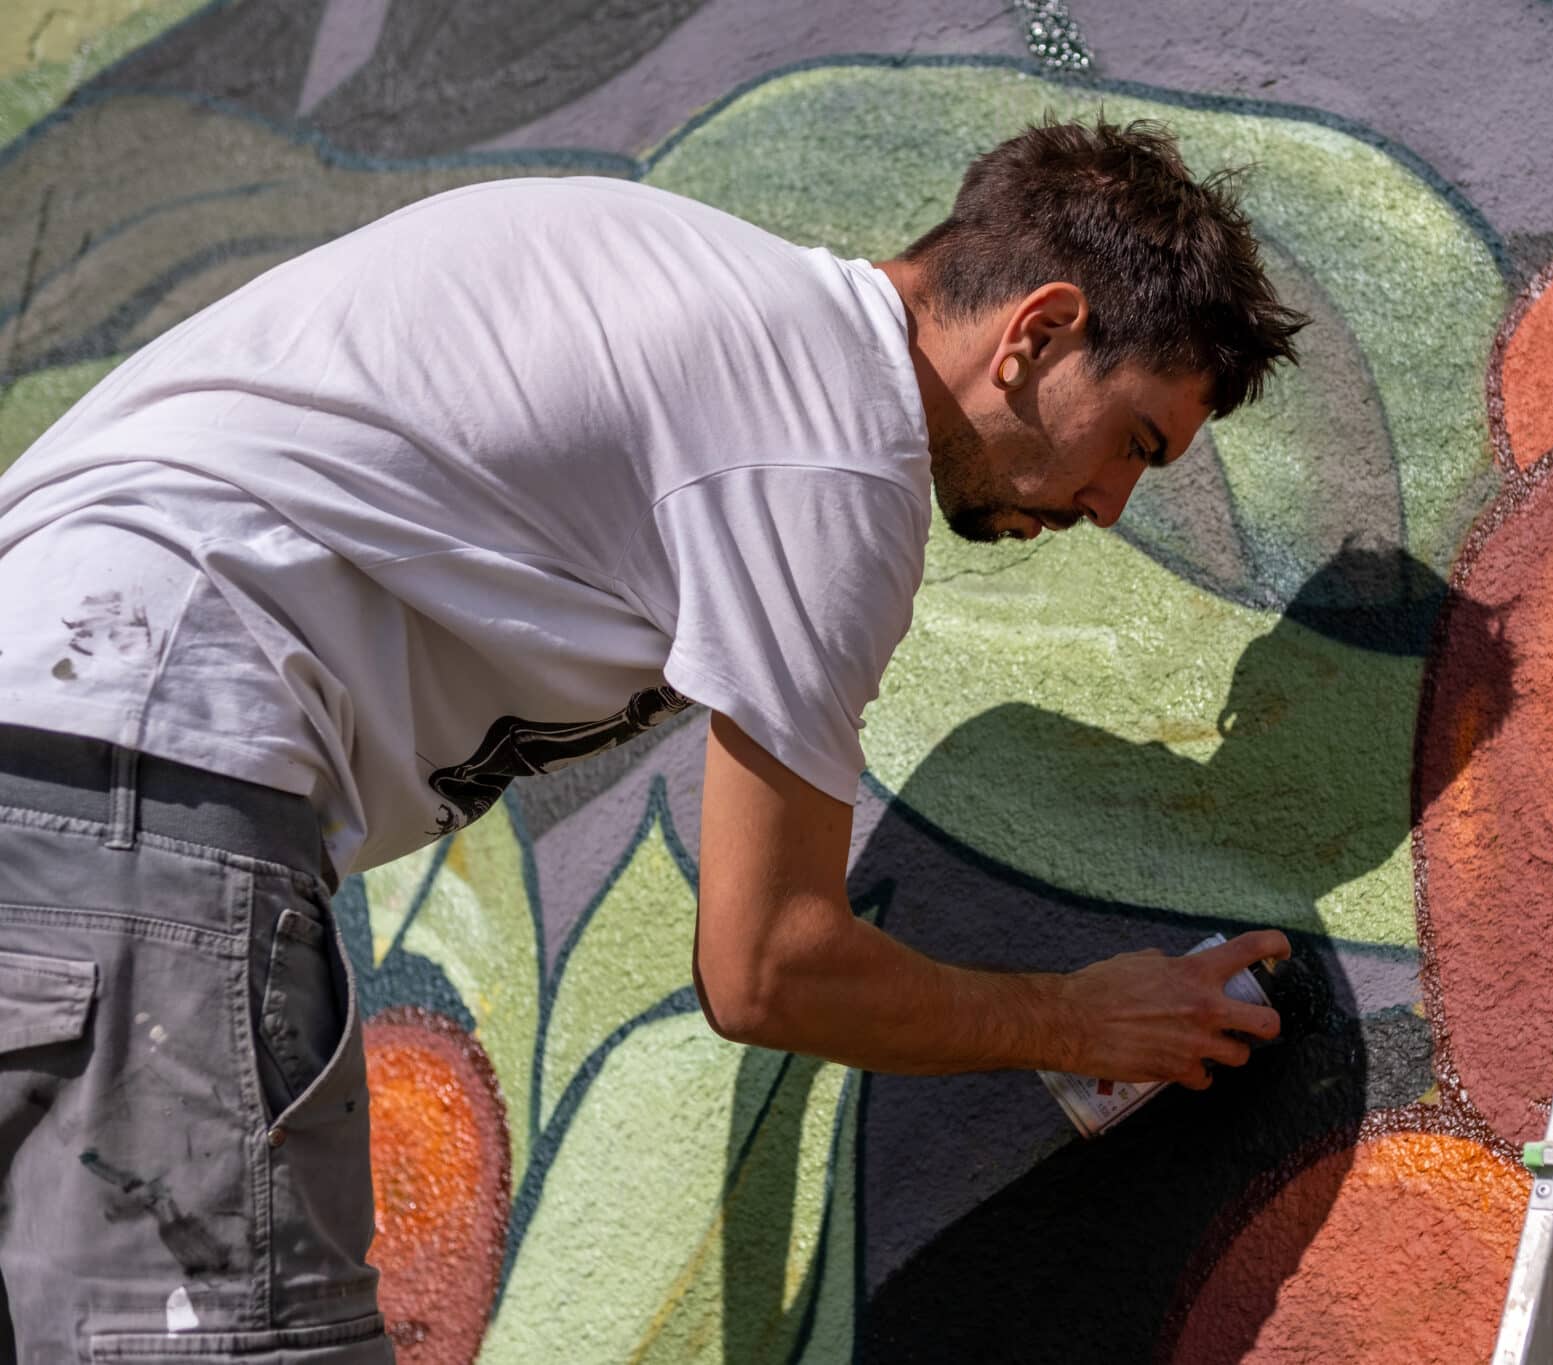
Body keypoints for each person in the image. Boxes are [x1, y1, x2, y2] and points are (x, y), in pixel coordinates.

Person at [0, 118, 1306, 1357]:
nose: (1110, 500)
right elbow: (768, 966)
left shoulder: (724, 307)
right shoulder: (833, 447)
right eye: (1133, 441)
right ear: (1042, 329)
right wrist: (1073, 1017)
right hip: (145, 757)